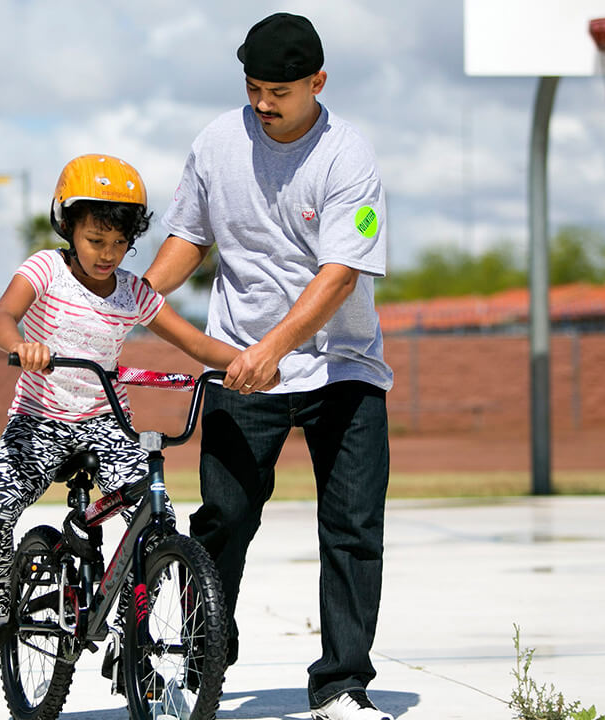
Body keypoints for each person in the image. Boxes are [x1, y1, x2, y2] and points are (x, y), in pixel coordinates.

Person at [142, 13, 395, 720]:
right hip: (238, 363)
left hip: (342, 369)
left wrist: (273, 349)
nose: (262, 104)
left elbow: (340, 274)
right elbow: (187, 238)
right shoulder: (217, 143)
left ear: (318, 82)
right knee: (222, 520)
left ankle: (342, 686)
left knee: (351, 528)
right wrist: (135, 295)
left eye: (279, 92)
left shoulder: (347, 157)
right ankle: (200, 668)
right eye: (253, 88)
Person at [0, 154, 262, 683]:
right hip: (40, 417)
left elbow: (192, 341)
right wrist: (21, 346)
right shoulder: (44, 270)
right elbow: (1, 316)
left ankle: (129, 630)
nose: (107, 254)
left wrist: (244, 363)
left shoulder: (133, 292)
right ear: (67, 226)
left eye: (119, 243)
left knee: (155, 522)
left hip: (105, 422)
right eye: (96, 240)